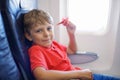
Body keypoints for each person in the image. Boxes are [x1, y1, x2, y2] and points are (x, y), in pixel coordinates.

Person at [23, 9, 120, 80]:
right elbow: (41, 75)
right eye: (39, 31)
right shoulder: (36, 50)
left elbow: (72, 50)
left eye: (49, 28)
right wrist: (78, 74)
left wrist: (71, 34)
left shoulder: (54, 44)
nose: (46, 34)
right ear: (29, 36)